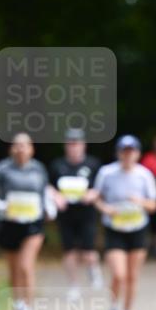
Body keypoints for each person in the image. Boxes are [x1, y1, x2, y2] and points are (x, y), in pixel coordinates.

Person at [91, 135, 156, 310]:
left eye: (131, 151)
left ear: (137, 153)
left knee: (132, 276)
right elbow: (96, 197)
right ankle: (113, 307)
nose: (128, 155)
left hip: (137, 228)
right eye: (124, 151)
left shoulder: (144, 175)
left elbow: (154, 205)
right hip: (115, 228)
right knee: (119, 274)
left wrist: (140, 202)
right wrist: (105, 209)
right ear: (118, 153)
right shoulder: (107, 173)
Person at [0, 132, 49, 310]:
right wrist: (2, 206)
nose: (21, 149)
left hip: (33, 224)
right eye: (17, 145)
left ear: (31, 149)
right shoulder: (4, 168)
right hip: (10, 224)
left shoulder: (39, 169)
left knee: (25, 266)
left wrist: (49, 209)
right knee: (14, 270)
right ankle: (18, 306)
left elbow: (44, 193)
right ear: (11, 148)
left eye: (25, 145)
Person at [48, 127, 103, 300]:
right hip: (66, 214)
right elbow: (48, 186)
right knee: (69, 251)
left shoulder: (92, 164)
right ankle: (73, 285)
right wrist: (56, 196)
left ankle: (93, 268)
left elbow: (101, 187)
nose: (73, 147)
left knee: (88, 252)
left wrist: (92, 194)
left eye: (76, 143)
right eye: (70, 144)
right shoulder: (57, 165)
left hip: (86, 214)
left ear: (83, 145)